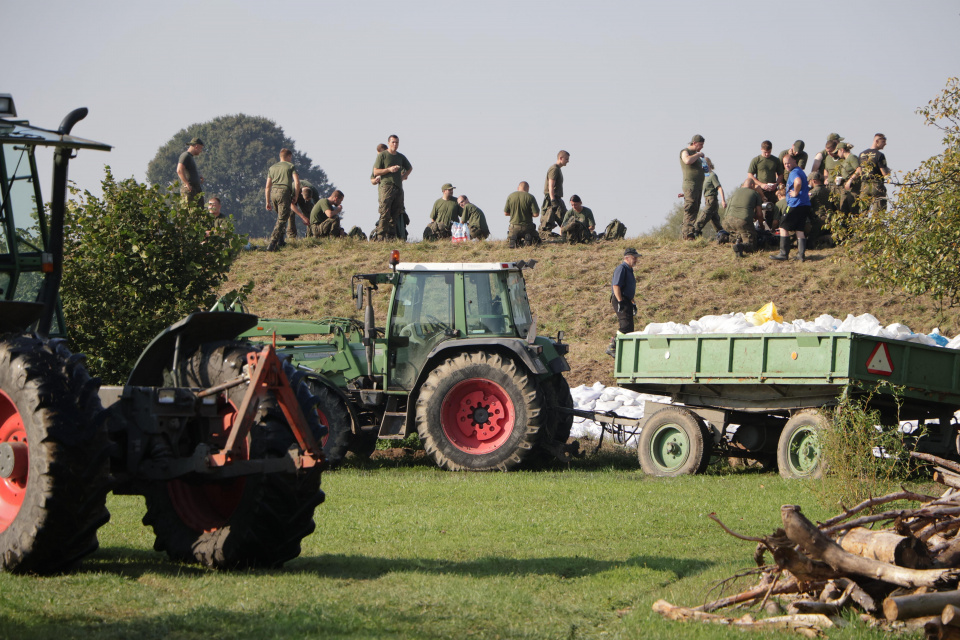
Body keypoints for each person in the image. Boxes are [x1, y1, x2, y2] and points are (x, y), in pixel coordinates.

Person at [371, 135, 412, 240]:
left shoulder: (400, 156)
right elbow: (375, 171)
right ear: (389, 143)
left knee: (395, 213)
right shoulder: (382, 156)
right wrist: (389, 170)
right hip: (386, 186)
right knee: (385, 212)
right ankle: (380, 236)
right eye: (393, 142)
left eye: (397, 142)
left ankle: (391, 236)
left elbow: (410, 168)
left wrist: (403, 176)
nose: (395, 144)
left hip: (398, 187)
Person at [771, 154, 811, 262]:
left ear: (794, 161)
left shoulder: (794, 172)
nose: (787, 165)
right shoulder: (800, 171)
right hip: (805, 204)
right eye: (784, 164)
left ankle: (783, 254)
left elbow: (797, 182)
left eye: (788, 163)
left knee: (783, 226)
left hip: (795, 204)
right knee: (799, 230)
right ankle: (801, 255)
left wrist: (795, 192)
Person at [264, 148, 302, 251]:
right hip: (284, 192)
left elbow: (267, 186)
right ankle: (273, 243)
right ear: (289, 156)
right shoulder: (290, 166)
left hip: (273, 193)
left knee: (281, 216)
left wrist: (267, 201)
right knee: (282, 218)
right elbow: (297, 182)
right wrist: (296, 195)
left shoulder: (272, 168)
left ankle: (281, 240)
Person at [606, 248, 639, 357]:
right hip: (620, 299)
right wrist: (620, 301)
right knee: (625, 325)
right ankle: (612, 345)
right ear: (627, 258)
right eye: (634, 258)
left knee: (630, 328)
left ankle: (623, 349)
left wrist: (633, 302)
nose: (636, 260)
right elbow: (616, 286)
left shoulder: (629, 270)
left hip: (627, 299)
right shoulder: (621, 268)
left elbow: (629, 288)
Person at [722, 180, 763, 256]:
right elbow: (759, 214)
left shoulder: (735, 192)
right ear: (752, 185)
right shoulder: (755, 194)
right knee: (752, 245)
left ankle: (724, 238)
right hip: (742, 222)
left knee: (738, 233)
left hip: (727, 221)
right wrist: (761, 225)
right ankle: (741, 247)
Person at [854, 133, 891, 212]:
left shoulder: (862, 154)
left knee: (863, 212)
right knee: (878, 212)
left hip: (864, 185)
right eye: (883, 141)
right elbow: (884, 173)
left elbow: (859, 171)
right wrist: (888, 171)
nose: (885, 144)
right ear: (877, 141)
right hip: (876, 184)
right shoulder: (879, 155)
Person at [679, 134, 706, 240]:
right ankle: (687, 234)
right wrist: (698, 155)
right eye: (700, 145)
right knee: (690, 210)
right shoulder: (685, 152)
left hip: (698, 187)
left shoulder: (696, 155)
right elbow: (687, 161)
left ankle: (691, 232)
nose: (702, 147)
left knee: (695, 209)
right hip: (690, 186)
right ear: (694, 143)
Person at [539, 150, 570, 237]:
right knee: (548, 221)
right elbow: (550, 186)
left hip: (557, 198)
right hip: (553, 198)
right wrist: (553, 200)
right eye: (566, 159)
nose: (568, 161)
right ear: (561, 158)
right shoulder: (554, 169)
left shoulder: (558, 169)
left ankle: (566, 237)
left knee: (565, 220)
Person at [694, 157, 726, 237]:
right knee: (715, 222)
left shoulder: (712, 175)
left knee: (702, 218)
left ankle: (696, 233)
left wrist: (723, 200)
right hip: (706, 200)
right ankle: (724, 236)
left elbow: (719, 188)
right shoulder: (704, 176)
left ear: (709, 165)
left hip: (712, 200)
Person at [503, 181, 540, 248]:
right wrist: (528, 214)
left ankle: (514, 239)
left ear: (518, 187)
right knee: (537, 240)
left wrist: (515, 214)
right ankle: (528, 239)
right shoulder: (530, 197)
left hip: (514, 227)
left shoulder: (511, 196)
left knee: (512, 236)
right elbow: (536, 214)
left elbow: (506, 213)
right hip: (527, 227)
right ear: (528, 188)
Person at [747, 140, 783, 206]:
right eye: (765, 152)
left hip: (772, 191)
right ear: (761, 149)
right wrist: (761, 184)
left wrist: (776, 184)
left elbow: (780, 174)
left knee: (772, 209)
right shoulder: (756, 160)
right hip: (760, 190)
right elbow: (750, 175)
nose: (767, 154)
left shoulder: (776, 160)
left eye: (769, 152)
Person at [177, 137, 204, 207]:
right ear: (196, 146)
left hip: (195, 189)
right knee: (189, 210)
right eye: (201, 148)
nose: (201, 151)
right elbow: (179, 170)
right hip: (189, 189)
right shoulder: (185, 156)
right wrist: (187, 183)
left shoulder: (190, 157)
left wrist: (198, 177)